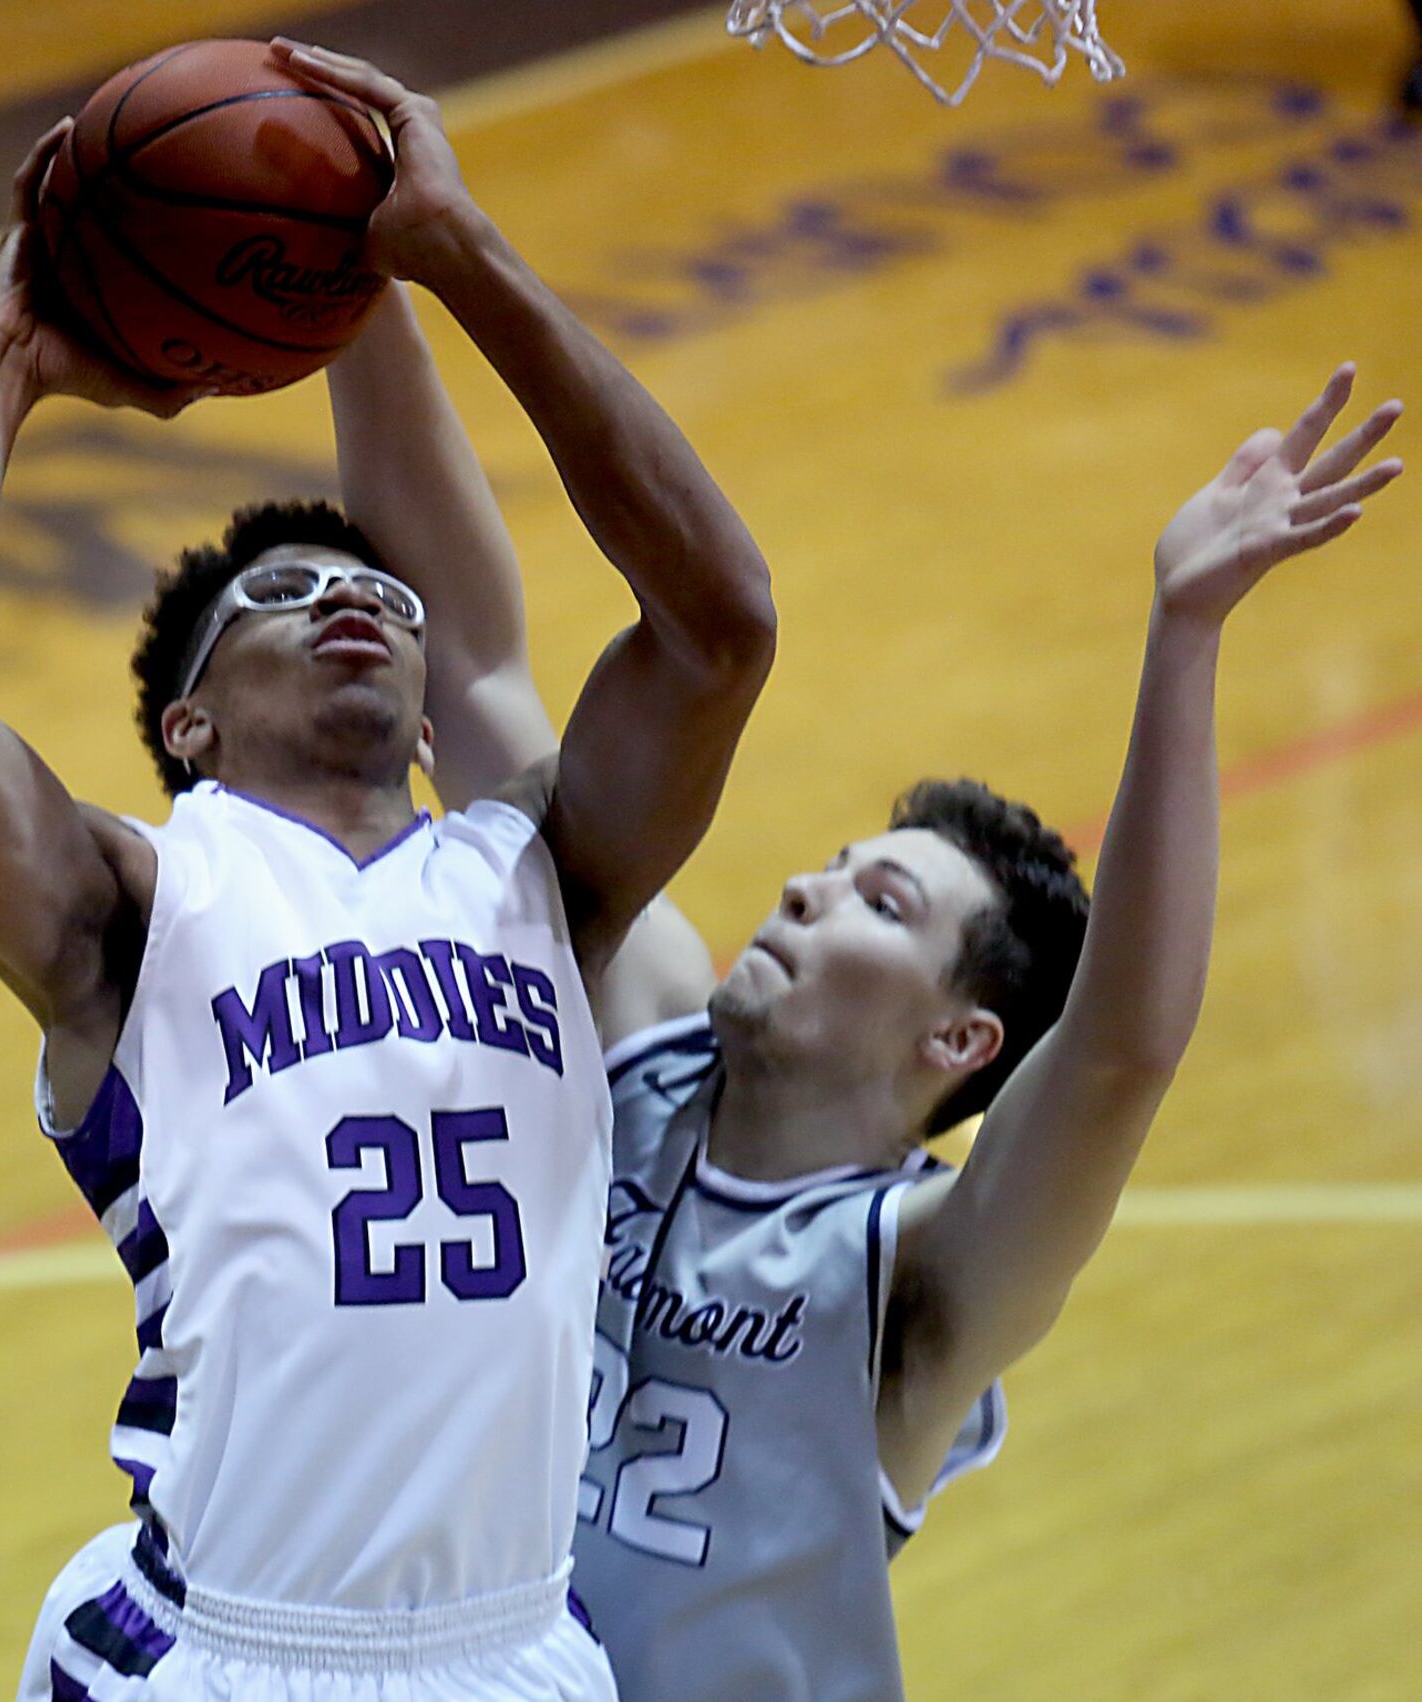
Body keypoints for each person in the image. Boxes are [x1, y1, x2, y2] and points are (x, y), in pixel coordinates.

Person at [0, 42, 775, 1702]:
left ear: (427, 710)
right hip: (216, 1649)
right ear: (187, 719)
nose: (362, 602)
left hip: (521, 1652)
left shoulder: (539, 875)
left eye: (391, 602)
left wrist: (445, 257)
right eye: (286, 590)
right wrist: (1, 351)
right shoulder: (140, 906)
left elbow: (721, 625)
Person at [374, 335, 1404, 1699]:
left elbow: (1119, 1053)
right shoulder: (647, 1037)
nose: (805, 886)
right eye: (836, 863)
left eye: (881, 900)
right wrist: (365, 287)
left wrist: (1188, 631)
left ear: (959, 1040)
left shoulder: (911, 1286)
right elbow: (471, 670)